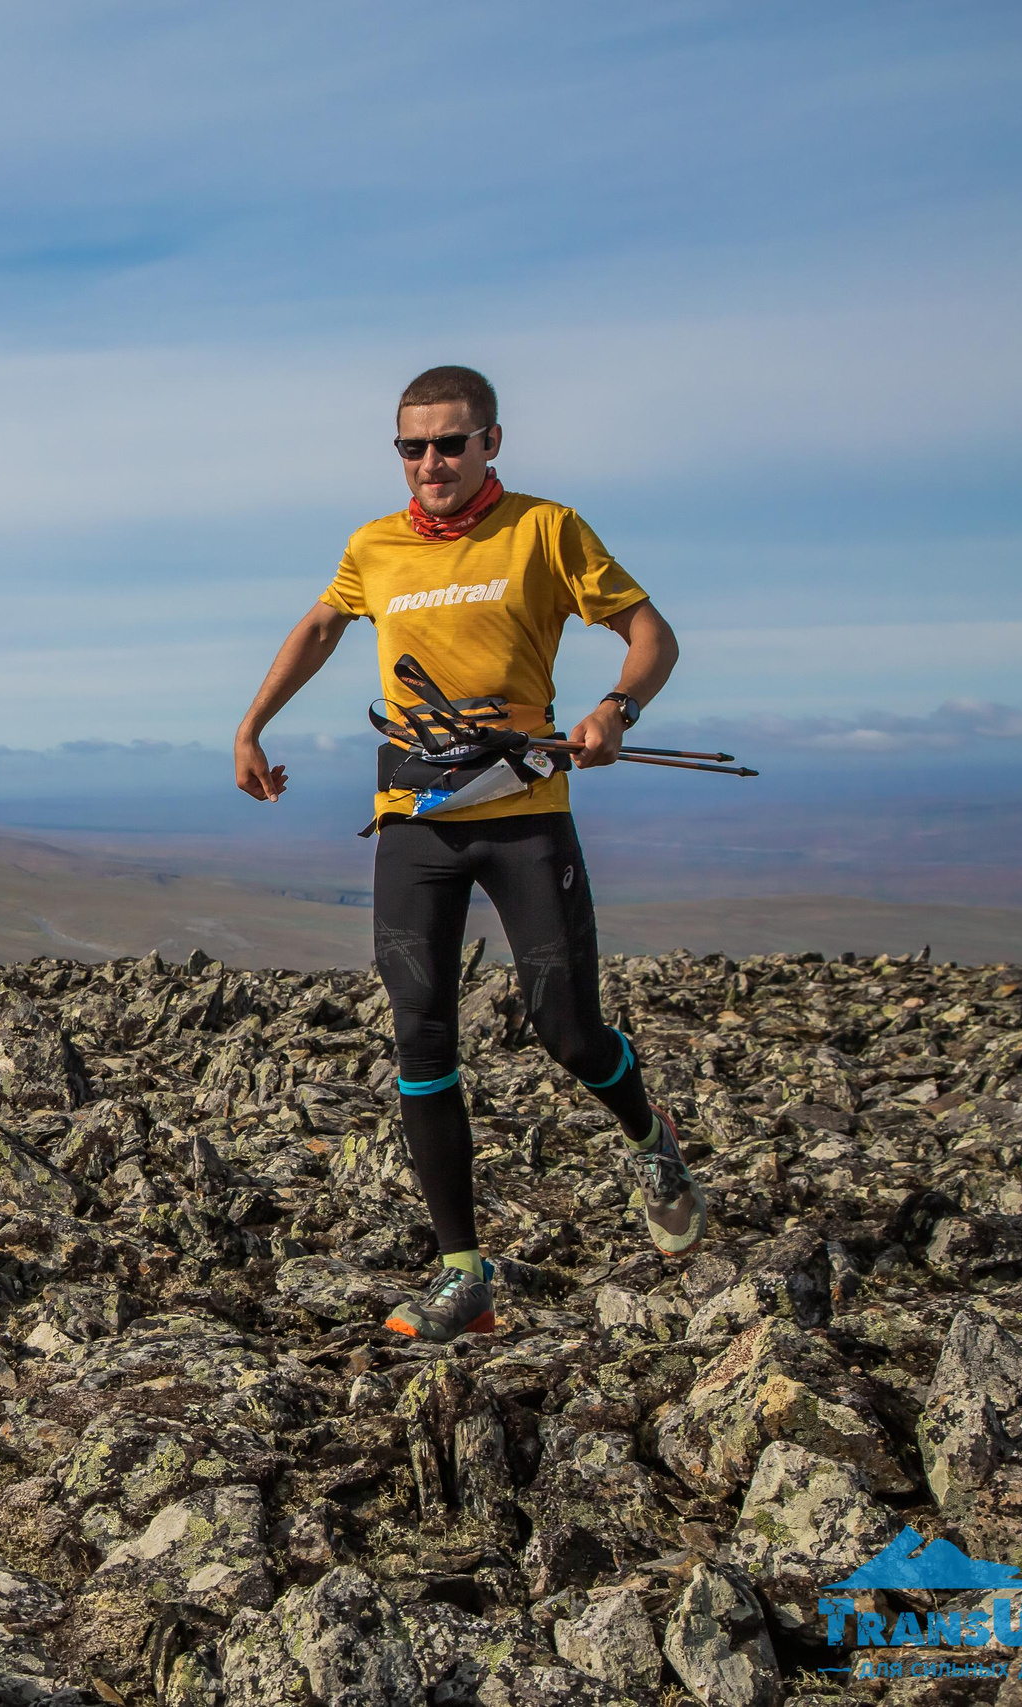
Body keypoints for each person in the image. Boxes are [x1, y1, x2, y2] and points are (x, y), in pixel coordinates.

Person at [232, 364, 706, 1341]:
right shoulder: (376, 545)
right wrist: (251, 726)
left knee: (568, 1033)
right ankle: (463, 1274)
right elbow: (322, 623)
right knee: (420, 1037)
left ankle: (649, 1140)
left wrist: (616, 708)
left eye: (450, 442)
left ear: (492, 441)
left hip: (525, 810)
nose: (431, 463)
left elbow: (649, 633)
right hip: (416, 819)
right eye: (412, 447)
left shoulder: (545, 529)